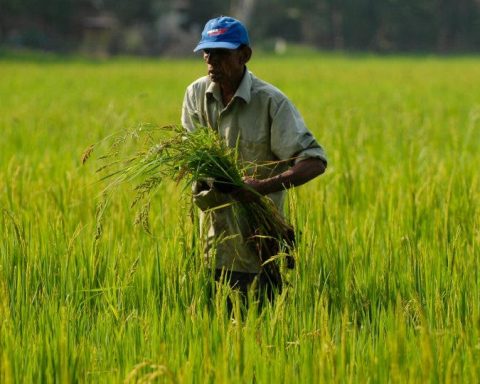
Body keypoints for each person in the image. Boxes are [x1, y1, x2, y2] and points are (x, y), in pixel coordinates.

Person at [181, 16, 327, 305]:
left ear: (244, 55)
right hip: (213, 242)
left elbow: (314, 162)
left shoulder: (271, 102)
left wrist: (261, 187)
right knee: (216, 333)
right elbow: (191, 155)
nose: (211, 62)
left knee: (264, 327)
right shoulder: (196, 95)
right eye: (206, 53)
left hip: (261, 244)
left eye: (221, 54)